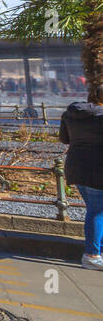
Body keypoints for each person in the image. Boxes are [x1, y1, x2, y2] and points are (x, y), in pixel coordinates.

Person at [60, 101, 103, 270]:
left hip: (76, 167)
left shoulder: (70, 114)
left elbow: (64, 139)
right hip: (97, 169)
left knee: (96, 209)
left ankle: (97, 251)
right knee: (97, 211)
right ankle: (92, 255)